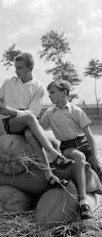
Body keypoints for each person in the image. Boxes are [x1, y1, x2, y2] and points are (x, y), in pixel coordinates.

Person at [0, 52, 74, 188]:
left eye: (19, 67)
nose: (15, 70)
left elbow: (33, 112)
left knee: (31, 133)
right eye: (15, 67)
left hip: (29, 123)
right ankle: (54, 154)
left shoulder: (39, 87)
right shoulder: (9, 82)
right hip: (11, 122)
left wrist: (13, 110)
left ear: (29, 69)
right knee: (30, 119)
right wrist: (0, 105)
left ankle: (49, 175)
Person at [39, 79, 102, 219]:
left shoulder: (76, 110)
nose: (49, 96)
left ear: (64, 93)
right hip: (68, 147)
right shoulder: (49, 113)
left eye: (52, 92)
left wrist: (96, 157)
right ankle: (83, 203)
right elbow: (39, 130)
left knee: (99, 169)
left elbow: (89, 135)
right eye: (49, 93)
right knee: (79, 158)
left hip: (84, 143)